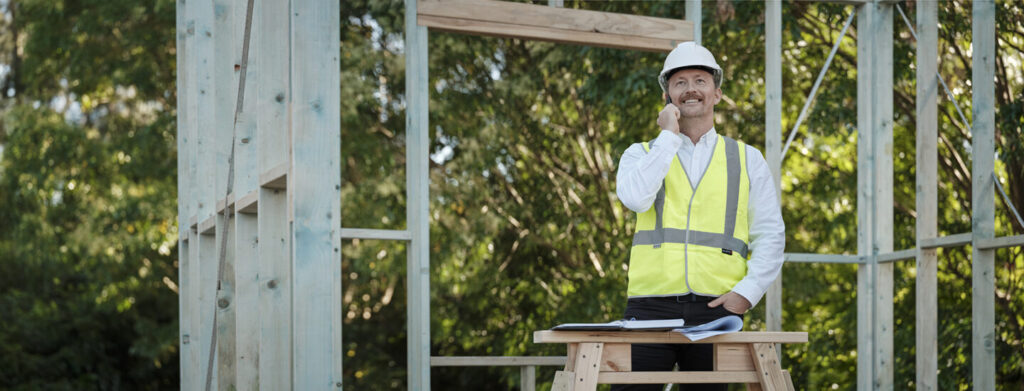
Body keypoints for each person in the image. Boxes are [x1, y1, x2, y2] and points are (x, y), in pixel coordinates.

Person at [612, 42, 786, 391]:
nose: (690, 89)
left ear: (716, 93)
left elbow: (770, 234)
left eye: (700, 80)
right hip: (648, 310)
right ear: (668, 96)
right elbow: (634, 198)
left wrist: (748, 293)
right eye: (680, 82)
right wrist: (667, 137)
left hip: (716, 311)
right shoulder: (642, 153)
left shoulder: (748, 159)